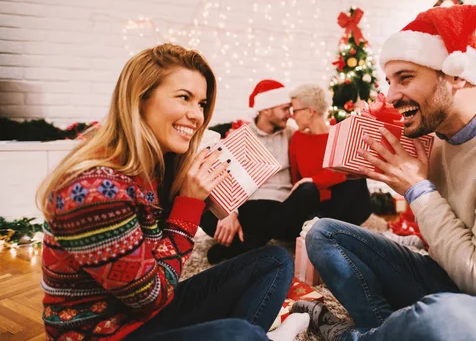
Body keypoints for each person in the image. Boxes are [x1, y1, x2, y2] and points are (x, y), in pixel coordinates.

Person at [292, 5, 476, 341]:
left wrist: (418, 189)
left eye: (406, 78)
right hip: (447, 277)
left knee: (442, 319)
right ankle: (383, 332)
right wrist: (364, 166)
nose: (391, 95)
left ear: (457, 75)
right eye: (389, 81)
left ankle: (350, 336)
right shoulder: (436, 136)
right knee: (323, 233)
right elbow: (441, 237)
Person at [37, 44, 299, 341]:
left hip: (145, 316)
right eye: (184, 98)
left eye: (201, 104)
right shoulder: (94, 189)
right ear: (140, 99)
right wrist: (188, 205)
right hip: (107, 332)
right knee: (236, 334)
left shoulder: (158, 164)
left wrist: (218, 195)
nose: (198, 116)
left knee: (275, 261)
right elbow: (151, 295)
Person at [200, 79, 321, 263]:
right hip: (248, 207)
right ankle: (254, 241)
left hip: (282, 209)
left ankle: (244, 246)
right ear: (266, 109)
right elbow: (224, 175)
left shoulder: (291, 134)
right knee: (205, 209)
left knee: (309, 191)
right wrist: (230, 212)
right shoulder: (241, 134)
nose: (289, 115)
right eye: (284, 109)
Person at [289, 84, 372, 225]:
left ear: (310, 111)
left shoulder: (341, 133)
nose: (292, 115)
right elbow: (296, 180)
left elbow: (346, 172)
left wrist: (313, 180)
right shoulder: (297, 138)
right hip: (316, 206)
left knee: (352, 177)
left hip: (348, 205)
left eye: (294, 110)